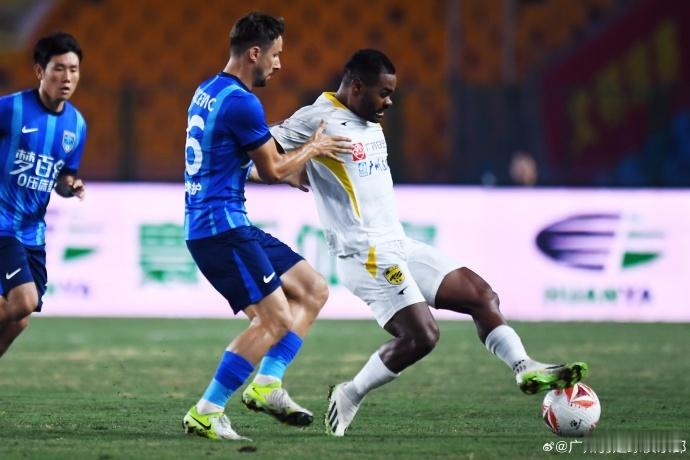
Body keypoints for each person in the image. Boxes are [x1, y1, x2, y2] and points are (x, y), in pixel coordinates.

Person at [269, 49, 588, 437]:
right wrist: (284, 169)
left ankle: (524, 368)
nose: (389, 102)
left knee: (481, 296)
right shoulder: (317, 118)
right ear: (356, 87)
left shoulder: (366, 118)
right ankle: (349, 393)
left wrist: (303, 172)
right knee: (422, 336)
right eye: (384, 93)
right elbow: (259, 153)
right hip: (365, 255)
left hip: (397, 244)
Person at [181, 12, 351, 441]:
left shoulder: (209, 90)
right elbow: (273, 169)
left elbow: (230, 160)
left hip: (223, 223)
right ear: (254, 53)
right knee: (274, 321)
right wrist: (312, 148)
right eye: (275, 55)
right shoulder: (243, 102)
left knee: (312, 289)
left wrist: (279, 169)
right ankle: (206, 411)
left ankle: (266, 384)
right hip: (221, 229)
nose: (279, 64)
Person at [0, 32, 87, 358]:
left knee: (19, 319)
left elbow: (63, 176)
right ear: (40, 71)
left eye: (73, 69)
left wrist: (70, 186)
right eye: (59, 69)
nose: (67, 78)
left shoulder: (76, 125)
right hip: (2, 225)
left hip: (32, 233)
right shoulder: (10, 109)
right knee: (23, 301)